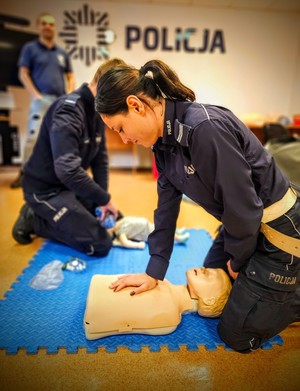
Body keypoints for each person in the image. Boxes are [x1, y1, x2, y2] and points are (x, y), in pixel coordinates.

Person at [94, 59, 300, 352]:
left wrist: (239, 262)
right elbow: (165, 209)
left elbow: (244, 208)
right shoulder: (163, 144)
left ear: (136, 105)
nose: (124, 139)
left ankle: (293, 292)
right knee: (212, 279)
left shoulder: (204, 128)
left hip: (281, 228)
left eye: (120, 128)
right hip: (245, 224)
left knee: (236, 334)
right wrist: (154, 271)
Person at [12, 58, 126, 257]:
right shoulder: (68, 111)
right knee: (101, 244)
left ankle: (66, 214)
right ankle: (34, 218)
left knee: (116, 220)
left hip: (69, 187)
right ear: (102, 87)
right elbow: (68, 170)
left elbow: (100, 159)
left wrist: (102, 201)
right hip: (45, 191)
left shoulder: (98, 110)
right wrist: (104, 199)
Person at [11, 12, 76, 188]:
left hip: (60, 100)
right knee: (33, 137)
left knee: (61, 138)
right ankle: (25, 173)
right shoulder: (30, 49)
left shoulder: (61, 53)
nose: (48, 26)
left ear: (54, 28)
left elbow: (70, 76)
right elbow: (23, 73)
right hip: (41, 101)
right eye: (44, 23)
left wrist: (69, 95)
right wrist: (36, 96)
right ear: (39, 26)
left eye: (51, 24)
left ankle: (58, 176)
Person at [84, 267, 232, 340]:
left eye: (213, 276)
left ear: (209, 301)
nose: (206, 269)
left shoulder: (170, 318)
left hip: (96, 311)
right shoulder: (162, 281)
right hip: (97, 295)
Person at [110, 215, 190, 249]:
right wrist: (138, 245)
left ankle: (177, 231)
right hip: (145, 232)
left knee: (162, 226)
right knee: (162, 233)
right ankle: (178, 238)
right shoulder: (120, 232)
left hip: (146, 225)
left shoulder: (120, 221)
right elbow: (125, 243)